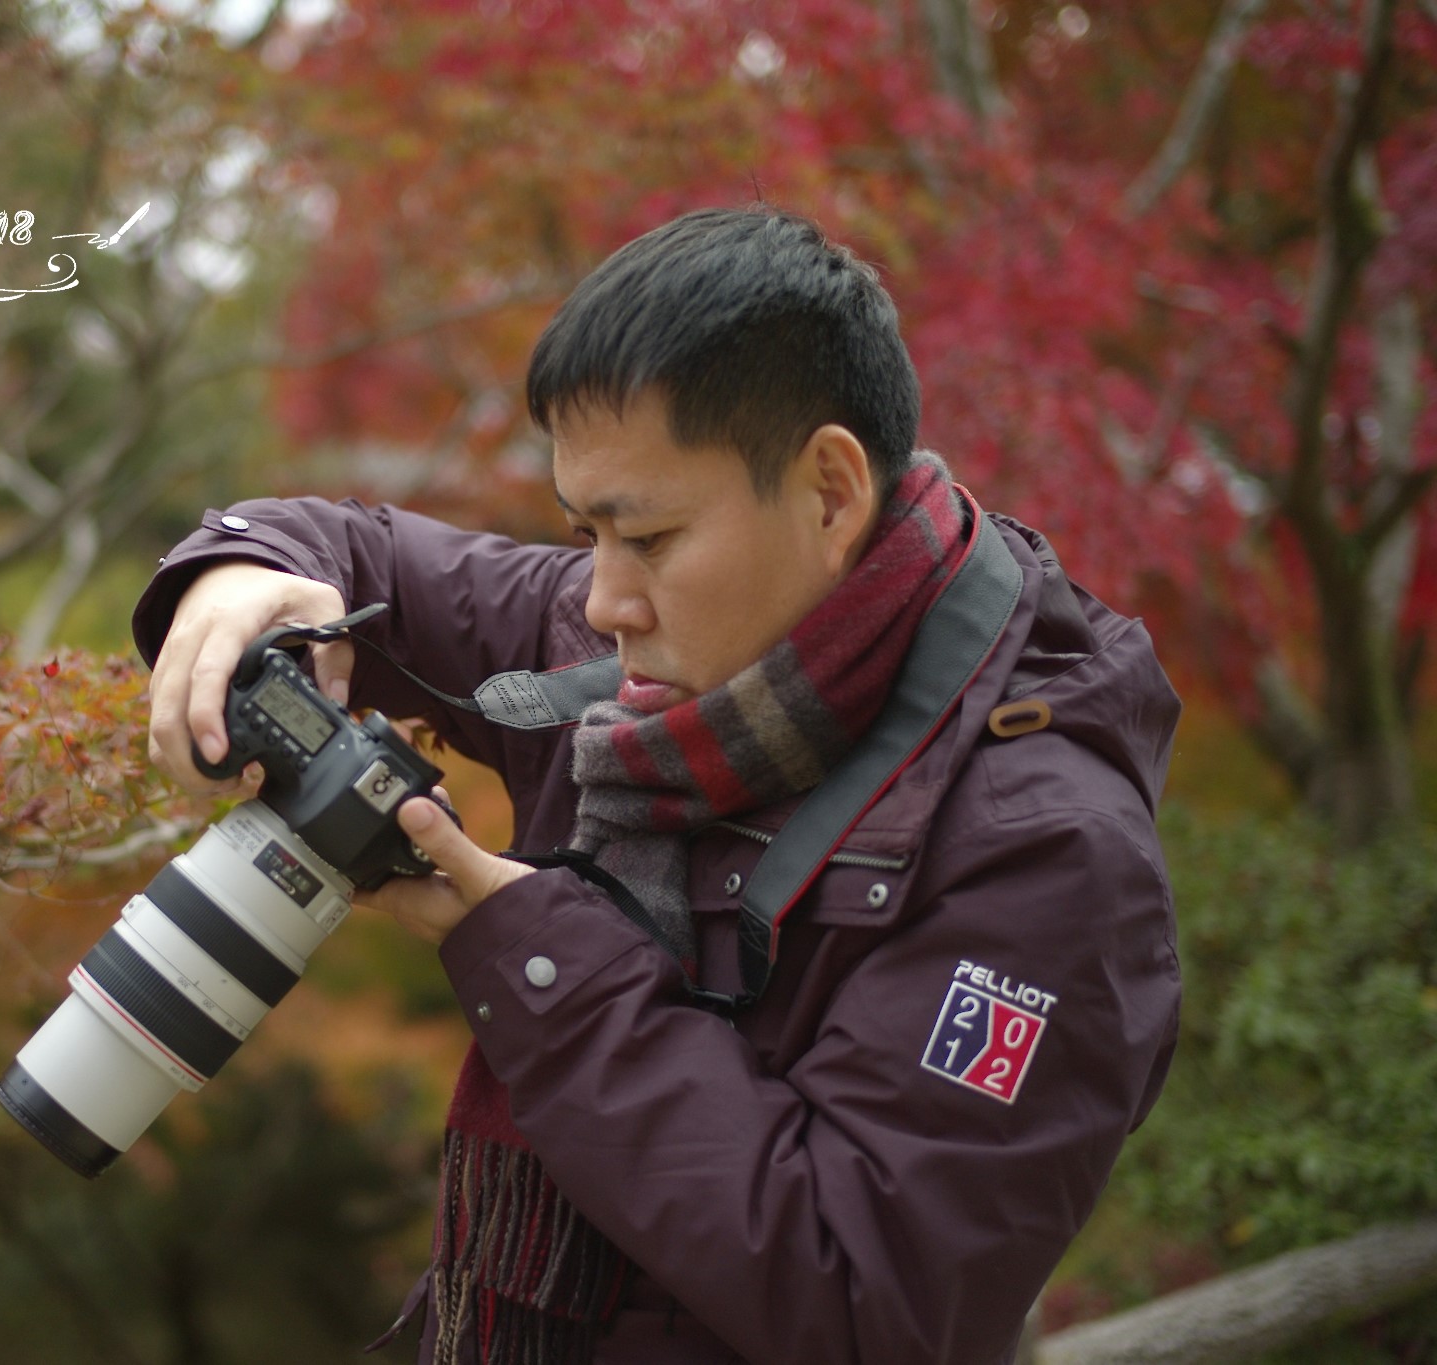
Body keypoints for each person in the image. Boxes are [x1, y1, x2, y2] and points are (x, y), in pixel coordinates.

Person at [132, 207, 1182, 1365]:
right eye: (582, 532)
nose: (597, 601)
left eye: (648, 538)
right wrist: (242, 573)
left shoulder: (1042, 846)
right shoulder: (647, 671)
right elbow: (357, 553)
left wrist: (530, 954)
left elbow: (869, 1299)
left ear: (829, 493)